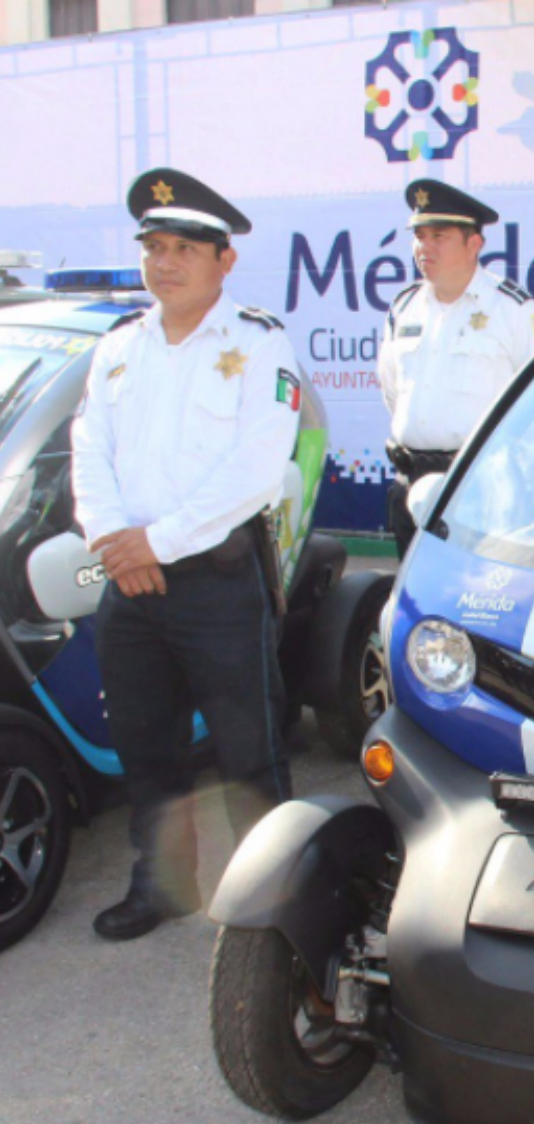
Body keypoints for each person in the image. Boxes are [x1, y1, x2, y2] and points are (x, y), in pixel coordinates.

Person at [72, 168, 300, 941]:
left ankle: (274, 894)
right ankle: (163, 885)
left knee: (249, 753)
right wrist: (112, 539)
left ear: (224, 261)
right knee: (149, 751)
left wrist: (153, 544)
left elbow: (256, 470)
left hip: (215, 585)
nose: (164, 263)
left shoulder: (260, 342)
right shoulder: (119, 348)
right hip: (129, 584)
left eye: (184, 249)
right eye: (155, 247)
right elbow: (88, 449)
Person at [378, 178, 534, 558]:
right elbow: (392, 391)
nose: (425, 247)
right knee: (414, 601)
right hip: (410, 484)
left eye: (439, 236)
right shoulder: (403, 307)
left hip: (481, 485)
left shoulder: (512, 309)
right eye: (419, 236)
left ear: (474, 244)